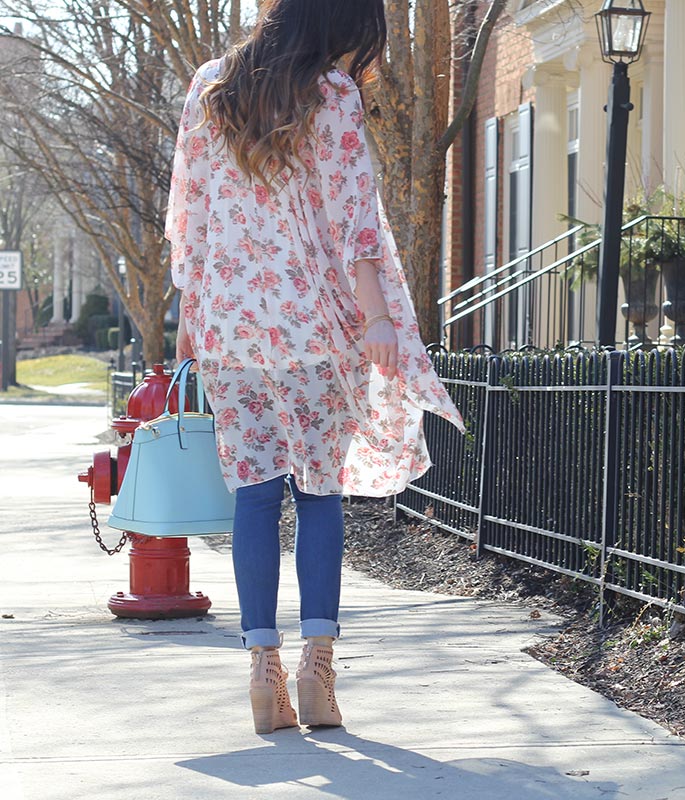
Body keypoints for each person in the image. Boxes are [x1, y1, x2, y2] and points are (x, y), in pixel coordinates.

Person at [166, 0, 463, 734]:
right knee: (320, 495)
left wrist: (187, 316)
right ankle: (317, 672)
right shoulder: (330, 95)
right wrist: (380, 317)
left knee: (256, 497)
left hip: (230, 328)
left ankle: (263, 674)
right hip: (312, 326)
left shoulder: (212, 83)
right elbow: (354, 217)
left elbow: (190, 214)